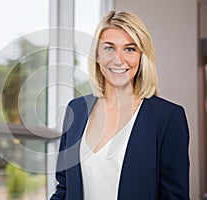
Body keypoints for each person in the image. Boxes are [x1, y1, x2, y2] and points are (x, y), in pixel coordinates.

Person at [50, 10, 189, 200]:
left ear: (141, 57)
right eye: (109, 48)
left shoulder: (167, 117)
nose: (118, 59)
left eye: (130, 49)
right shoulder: (76, 110)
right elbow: (64, 189)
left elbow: (174, 197)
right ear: (97, 55)